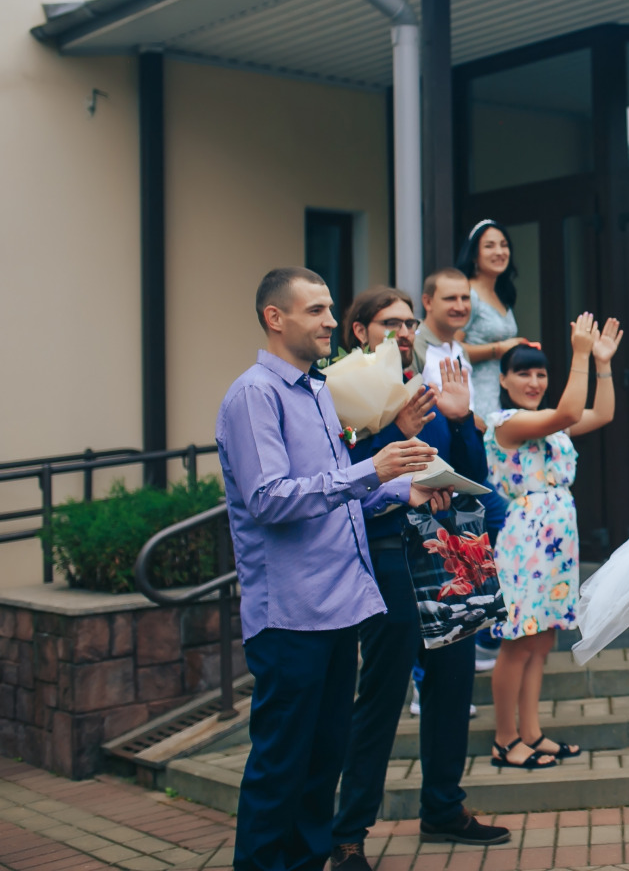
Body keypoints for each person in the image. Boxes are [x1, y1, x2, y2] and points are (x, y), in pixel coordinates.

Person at [216, 268, 441, 871]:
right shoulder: (253, 396)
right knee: (281, 771)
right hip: (290, 616)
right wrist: (374, 468)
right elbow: (271, 499)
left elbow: (338, 498)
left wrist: (400, 491)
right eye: (315, 311)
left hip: (342, 608)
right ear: (275, 318)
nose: (327, 322)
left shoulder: (318, 392)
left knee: (321, 770)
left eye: (328, 309)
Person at [328, 285, 509, 871]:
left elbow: (471, 473)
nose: (403, 333)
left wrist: (460, 424)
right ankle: (349, 832)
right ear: (360, 332)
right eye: (388, 324)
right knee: (382, 692)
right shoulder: (340, 395)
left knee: (454, 682)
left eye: (408, 324)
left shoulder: (428, 390)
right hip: (386, 553)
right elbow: (350, 482)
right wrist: (390, 429)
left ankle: (443, 807)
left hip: (445, 551)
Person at [484, 315, 621, 770]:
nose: (534, 380)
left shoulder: (549, 424)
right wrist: (579, 352)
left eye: (541, 373)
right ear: (503, 380)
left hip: (556, 538)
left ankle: (531, 732)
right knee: (517, 641)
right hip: (521, 538)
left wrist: (600, 363)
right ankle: (505, 740)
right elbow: (565, 413)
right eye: (523, 372)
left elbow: (602, 414)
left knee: (540, 642)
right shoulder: (506, 423)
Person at [412, 266, 510, 674]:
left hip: (465, 466)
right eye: (450, 298)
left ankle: (478, 635)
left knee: (471, 553)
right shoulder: (416, 348)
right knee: (432, 570)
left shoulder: (459, 349)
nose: (459, 306)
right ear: (428, 301)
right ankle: (424, 676)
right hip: (429, 475)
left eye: (465, 298)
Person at [456, 220, 525, 419]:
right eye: (489, 246)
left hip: (503, 393)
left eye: (504, 245)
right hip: (476, 395)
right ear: (474, 254)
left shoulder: (503, 294)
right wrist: (499, 350)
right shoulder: (467, 293)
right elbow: (452, 348)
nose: (499, 252)